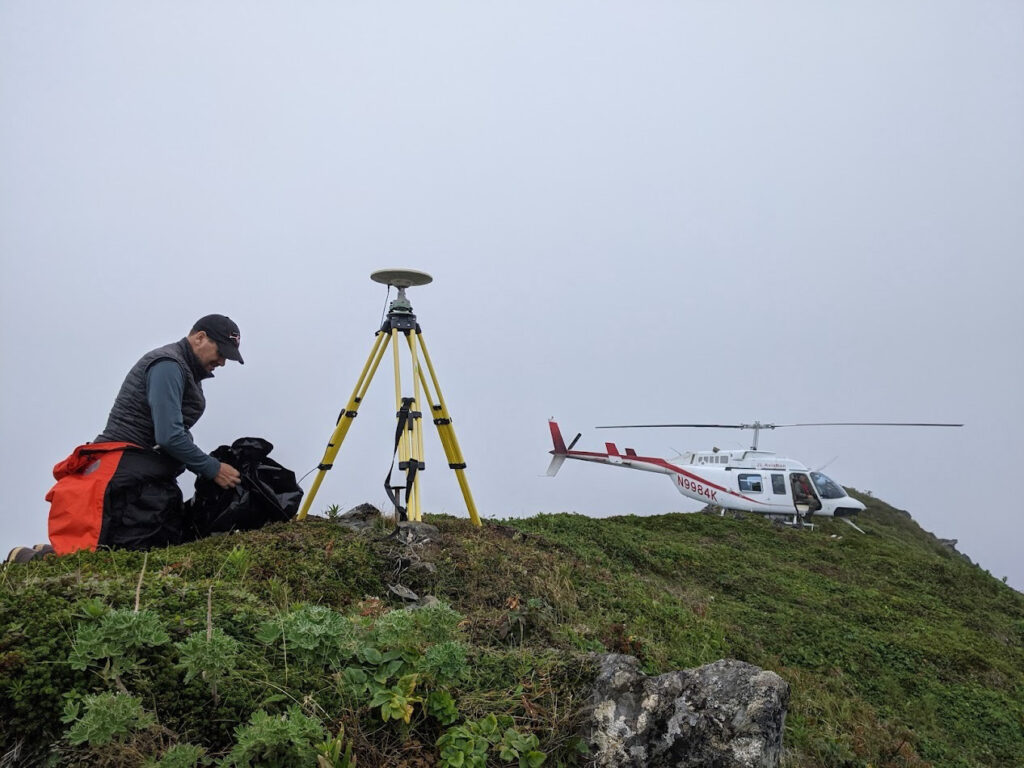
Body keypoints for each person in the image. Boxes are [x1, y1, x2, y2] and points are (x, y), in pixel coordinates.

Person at [44, 315, 245, 555]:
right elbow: (169, 435)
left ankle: (42, 557)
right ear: (199, 337)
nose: (222, 362)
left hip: (143, 469)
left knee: (157, 543)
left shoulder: (185, 370)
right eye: (221, 352)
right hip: (123, 468)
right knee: (127, 552)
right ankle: (34, 558)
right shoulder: (168, 365)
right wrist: (212, 468)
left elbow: (176, 431)